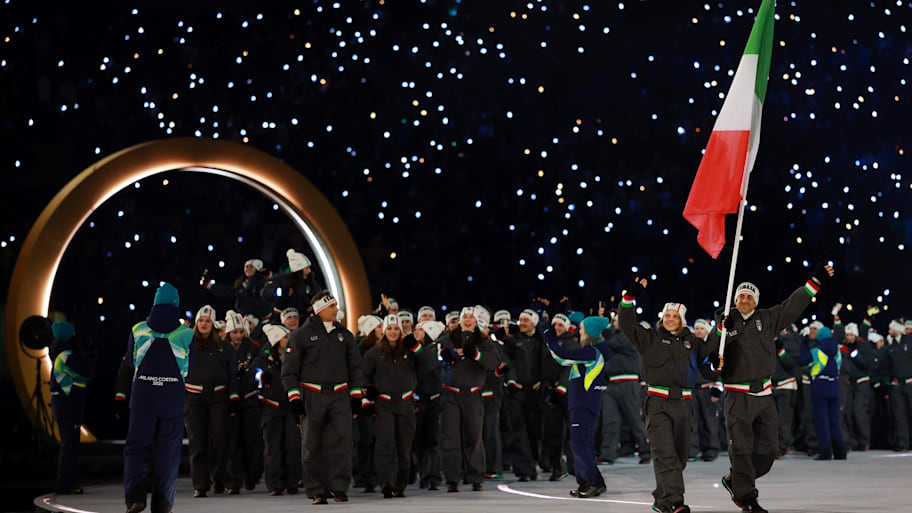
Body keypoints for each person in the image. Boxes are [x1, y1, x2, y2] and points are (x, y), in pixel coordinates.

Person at [708, 264, 834, 513]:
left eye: (749, 296)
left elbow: (792, 305)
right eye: (741, 296)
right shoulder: (725, 322)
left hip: (764, 396)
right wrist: (718, 339)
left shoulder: (767, 319)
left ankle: (737, 480)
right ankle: (747, 499)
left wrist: (814, 282)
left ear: (755, 301)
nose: (744, 300)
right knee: (741, 450)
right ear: (735, 300)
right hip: (737, 395)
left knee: (768, 451)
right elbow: (711, 352)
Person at [618, 278, 709, 513]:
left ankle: (662, 498)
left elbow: (710, 367)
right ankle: (675, 501)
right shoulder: (650, 338)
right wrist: (629, 298)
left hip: (684, 405)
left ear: (682, 320)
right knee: (665, 453)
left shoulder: (694, 343)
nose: (669, 319)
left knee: (678, 459)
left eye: (674, 316)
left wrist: (718, 360)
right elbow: (627, 324)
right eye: (666, 315)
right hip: (657, 403)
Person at [115, 283, 194, 513]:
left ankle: (136, 497)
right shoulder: (186, 334)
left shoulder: (138, 330)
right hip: (172, 399)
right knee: (168, 452)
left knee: (136, 449)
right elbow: (192, 366)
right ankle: (162, 504)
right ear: (176, 305)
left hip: (143, 398)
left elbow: (130, 362)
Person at [281, 290, 363, 504]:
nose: (337, 310)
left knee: (342, 443)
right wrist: (294, 399)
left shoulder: (345, 335)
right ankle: (317, 490)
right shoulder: (300, 335)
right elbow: (289, 371)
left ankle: (339, 488)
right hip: (312, 395)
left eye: (336, 305)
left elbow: (355, 367)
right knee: (311, 444)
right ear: (320, 309)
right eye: (332, 306)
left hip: (340, 396)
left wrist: (355, 396)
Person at [362, 315, 437, 497]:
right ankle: (386, 483)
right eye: (389, 329)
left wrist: (416, 346)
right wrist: (367, 395)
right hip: (384, 404)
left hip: (405, 404)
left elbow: (428, 365)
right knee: (385, 444)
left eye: (396, 329)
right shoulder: (374, 353)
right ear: (384, 331)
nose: (393, 332)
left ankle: (400, 484)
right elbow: (363, 377)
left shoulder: (410, 351)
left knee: (404, 446)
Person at [543, 315, 612, 499]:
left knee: (579, 444)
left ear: (589, 332)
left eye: (582, 328)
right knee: (583, 444)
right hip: (584, 402)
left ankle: (592, 483)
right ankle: (591, 482)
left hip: (583, 403)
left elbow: (562, 357)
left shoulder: (592, 353)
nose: (579, 331)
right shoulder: (593, 351)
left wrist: (548, 336)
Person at [437, 306, 500, 492]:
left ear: (476, 321)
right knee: (450, 438)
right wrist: (444, 356)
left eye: (471, 317)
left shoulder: (483, 341)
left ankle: (475, 477)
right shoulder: (447, 339)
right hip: (450, 395)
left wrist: (476, 354)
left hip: (473, 395)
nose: (467, 320)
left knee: (474, 436)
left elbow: (494, 364)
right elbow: (433, 356)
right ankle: (452, 479)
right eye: (464, 316)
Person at [184, 305, 239, 497]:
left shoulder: (224, 348)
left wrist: (233, 397)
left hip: (219, 397)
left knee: (219, 440)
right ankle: (201, 484)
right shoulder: (188, 345)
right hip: (194, 397)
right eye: (201, 321)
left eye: (207, 321)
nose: (204, 324)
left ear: (213, 324)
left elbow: (232, 374)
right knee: (197, 442)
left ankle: (219, 478)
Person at [252, 324, 302, 495]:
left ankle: (293, 481)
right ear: (275, 341)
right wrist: (260, 378)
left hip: (291, 408)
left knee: (293, 446)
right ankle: (275, 483)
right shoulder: (262, 360)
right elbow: (253, 376)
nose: (289, 340)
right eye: (285, 337)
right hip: (271, 408)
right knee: (273, 447)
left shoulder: (294, 357)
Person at [49, 321, 97, 495]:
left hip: (63, 405)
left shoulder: (58, 354)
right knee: (69, 446)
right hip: (68, 406)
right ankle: (65, 484)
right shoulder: (66, 356)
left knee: (68, 445)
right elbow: (85, 373)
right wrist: (91, 357)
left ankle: (66, 482)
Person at [499, 308, 544, 481]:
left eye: (526, 320)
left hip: (535, 392)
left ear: (534, 323)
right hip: (515, 392)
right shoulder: (511, 341)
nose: (522, 323)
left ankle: (533, 463)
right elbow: (505, 360)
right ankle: (523, 469)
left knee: (534, 431)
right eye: (521, 320)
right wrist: (511, 380)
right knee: (517, 431)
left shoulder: (541, 341)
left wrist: (542, 381)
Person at [600, 315, 651, 465]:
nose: (614, 323)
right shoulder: (615, 337)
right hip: (612, 384)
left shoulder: (630, 337)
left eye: (616, 320)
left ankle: (646, 452)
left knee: (635, 421)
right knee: (610, 421)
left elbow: (612, 343)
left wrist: (605, 328)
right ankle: (607, 455)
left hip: (629, 383)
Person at [224, 310, 264, 493]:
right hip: (230, 402)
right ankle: (233, 481)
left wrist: (248, 372)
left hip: (250, 401)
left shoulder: (253, 348)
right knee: (233, 442)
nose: (238, 336)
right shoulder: (223, 349)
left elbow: (258, 367)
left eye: (240, 332)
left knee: (251, 441)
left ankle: (251, 475)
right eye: (234, 332)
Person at [798, 326, 845, 459]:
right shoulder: (837, 351)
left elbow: (802, 361)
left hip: (820, 387)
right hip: (835, 386)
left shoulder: (816, 351)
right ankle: (840, 452)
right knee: (835, 421)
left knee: (822, 421)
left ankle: (825, 452)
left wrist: (804, 344)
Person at [540, 313, 574, 481]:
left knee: (572, 431)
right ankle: (557, 467)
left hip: (568, 392)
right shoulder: (548, 344)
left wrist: (562, 386)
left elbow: (570, 366)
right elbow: (543, 366)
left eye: (561, 325)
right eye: (555, 325)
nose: (557, 328)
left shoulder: (572, 344)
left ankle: (575, 465)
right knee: (553, 432)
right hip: (551, 391)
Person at [412, 320, 446, 490]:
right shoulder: (414, 350)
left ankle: (433, 477)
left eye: (420, 330)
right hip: (418, 401)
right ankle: (424, 475)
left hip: (433, 401)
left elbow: (428, 364)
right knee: (419, 441)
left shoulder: (435, 349)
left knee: (433, 440)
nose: (416, 332)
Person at [833, 317, 874, 451]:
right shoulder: (845, 348)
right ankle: (852, 441)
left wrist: (856, 355)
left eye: (851, 335)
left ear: (856, 335)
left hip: (862, 383)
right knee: (848, 413)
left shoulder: (863, 345)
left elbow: (867, 365)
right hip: (850, 384)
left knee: (859, 412)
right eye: (848, 335)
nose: (849, 337)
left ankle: (864, 440)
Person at [354, 315, 383, 492]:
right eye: (379, 326)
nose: (383, 329)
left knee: (380, 440)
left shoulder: (386, 348)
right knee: (365, 440)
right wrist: (363, 398)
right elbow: (358, 375)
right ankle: (364, 476)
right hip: (365, 400)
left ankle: (376, 475)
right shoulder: (360, 350)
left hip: (384, 400)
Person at [689, 319, 721, 462]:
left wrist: (717, 389)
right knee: (693, 422)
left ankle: (711, 451)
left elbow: (721, 368)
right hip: (693, 390)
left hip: (708, 389)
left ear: (707, 330)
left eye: (701, 328)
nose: (698, 331)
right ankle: (693, 450)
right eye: (696, 329)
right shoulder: (692, 348)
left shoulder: (713, 347)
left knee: (709, 421)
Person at [262, 249, 323, 314]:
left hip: (304, 318)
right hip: (281, 318)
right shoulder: (281, 279)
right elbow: (265, 293)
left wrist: (313, 306)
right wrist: (282, 293)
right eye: (306, 268)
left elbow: (318, 295)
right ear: (298, 269)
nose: (309, 271)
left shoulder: (310, 282)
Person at [771, 325, 801, 457]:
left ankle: (782, 447)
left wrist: (780, 350)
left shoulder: (791, 342)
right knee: (773, 420)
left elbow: (791, 364)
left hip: (787, 386)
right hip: (772, 386)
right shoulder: (769, 342)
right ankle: (775, 446)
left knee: (784, 420)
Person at [883, 319, 912, 451]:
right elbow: (886, 367)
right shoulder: (891, 346)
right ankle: (902, 443)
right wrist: (889, 382)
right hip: (896, 385)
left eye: (891, 328)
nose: (889, 331)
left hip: (910, 382)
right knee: (899, 415)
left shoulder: (909, 341)